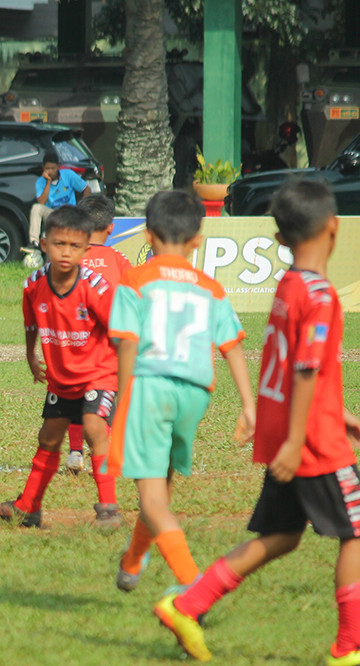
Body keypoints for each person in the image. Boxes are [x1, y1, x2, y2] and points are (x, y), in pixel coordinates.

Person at [154, 181, 360, 664]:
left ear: (281, 238)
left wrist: (338, 411)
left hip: (301, 427)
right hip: (309, 439)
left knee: (283, 537)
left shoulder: (290, 285)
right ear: (333, 227)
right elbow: (306, 367)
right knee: (357, 532)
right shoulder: (322, 295)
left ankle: (187, 604)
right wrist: (297, 440)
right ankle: (350, 646)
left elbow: (297, 366)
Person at [107, 190, 255, 599]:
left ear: (148, 236)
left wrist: (123, 399)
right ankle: (133, 562)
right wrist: (247, 405)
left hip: (150, 386)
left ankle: (194, 586)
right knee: (162, 487)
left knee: (152, 496)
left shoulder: (135, 280)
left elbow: (128, 344)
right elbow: (232, 345)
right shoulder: (210, 286)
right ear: (197, 239)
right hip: (194, 393)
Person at [0, 205, 121, 528]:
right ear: (44, 244)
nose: (66, 253)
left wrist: (124, 379)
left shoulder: (96, 288)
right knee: (49, 438)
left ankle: (109, 509)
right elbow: (31, 323)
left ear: (86, 249)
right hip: (60, 378)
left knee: (94, 429)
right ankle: (28, 508)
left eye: (74, 246)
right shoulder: (33, 285)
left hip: (98, 373)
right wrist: (31, 355)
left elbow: (122, 334)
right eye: (59, 244)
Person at [64, 194, 132, 475]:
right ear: (111, 228)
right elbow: (132, 295)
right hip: (109, 342)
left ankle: (75, 452)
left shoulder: (70, 257)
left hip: (72, 339)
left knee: (73, 393)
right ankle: (113, 451)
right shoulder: (119, 259)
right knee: (108, 395)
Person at [28, 152, 91, 247]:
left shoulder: (68, 175)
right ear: (43, 168)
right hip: (52, 214)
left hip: (70, 213)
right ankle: (34, 242)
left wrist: (81, 208)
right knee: (36, 208)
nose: (50, 171)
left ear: (58, 167)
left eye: (52, 168)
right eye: (47, 169)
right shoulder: (40, 182)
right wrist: (48, 182)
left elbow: (86, 189)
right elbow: (42, 202)